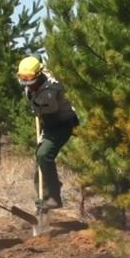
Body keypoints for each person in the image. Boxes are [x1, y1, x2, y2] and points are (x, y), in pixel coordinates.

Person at [17, 56, 79, 210]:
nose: (26, 82)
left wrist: (44, 134)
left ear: (38, 76)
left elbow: (51, 118)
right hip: (49, 120)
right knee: (40, 160)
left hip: (62, 123)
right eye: (23, 78)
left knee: (44, 154)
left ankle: (54, 196)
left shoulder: (50, 90)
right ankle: (43, 201)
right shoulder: (31, 83)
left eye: (29, 79)